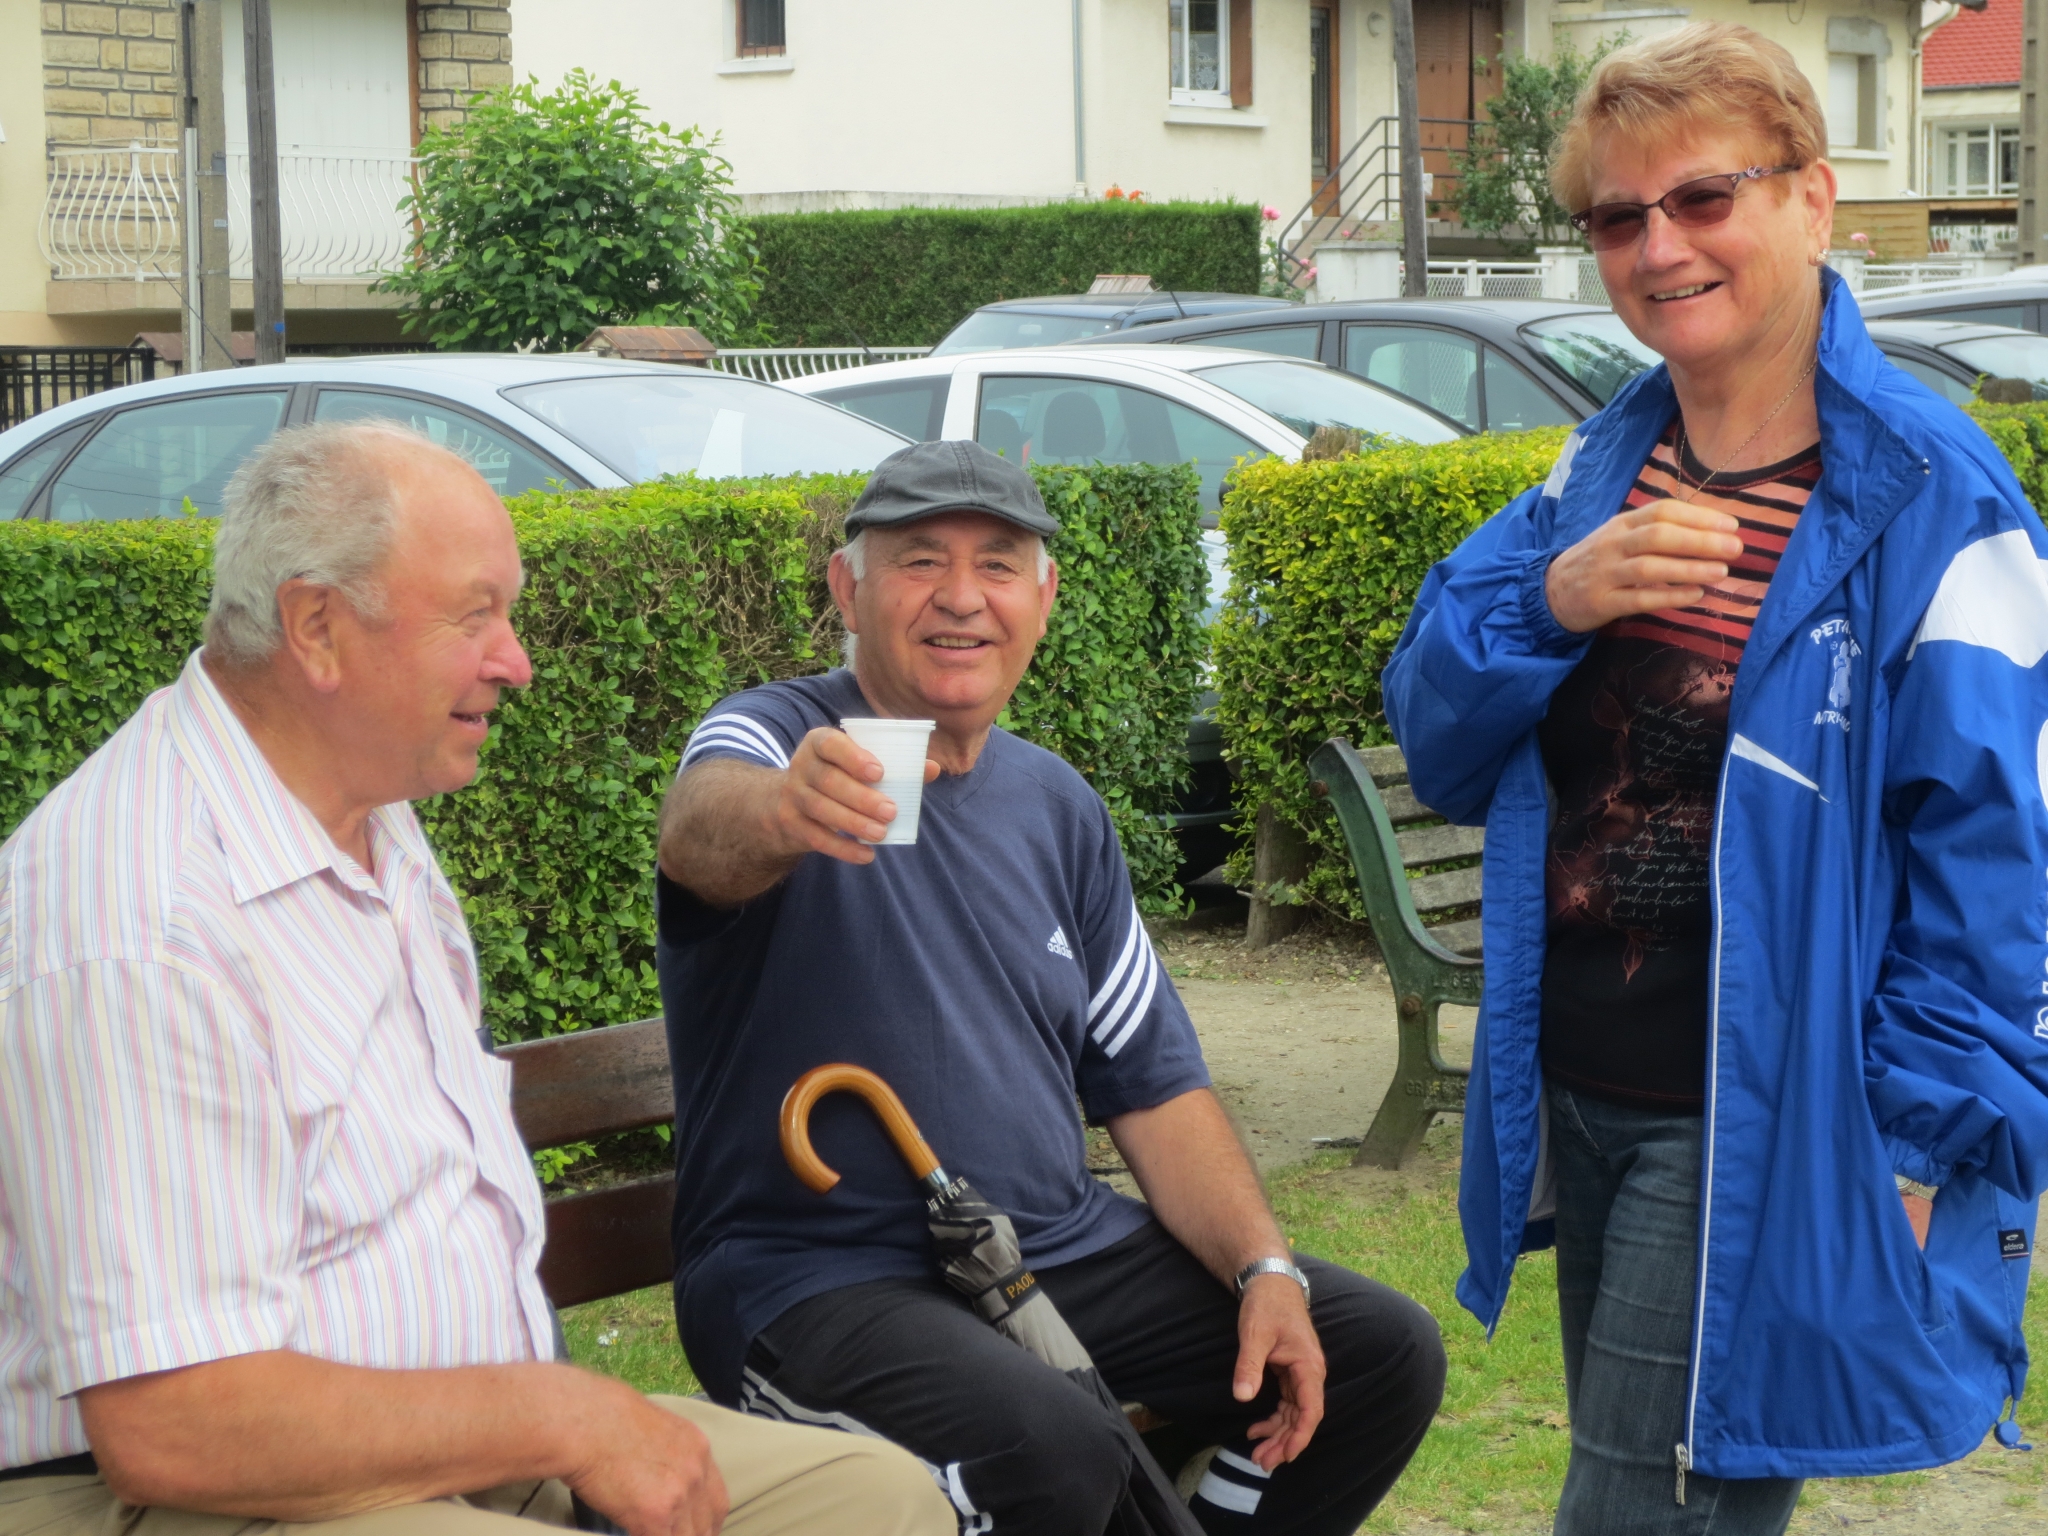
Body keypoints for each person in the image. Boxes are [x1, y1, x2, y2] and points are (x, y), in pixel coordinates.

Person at [0, 421, 953, 1536]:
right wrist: (563, 1418)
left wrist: (546, 1419)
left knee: (880, 1503)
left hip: (469, 1449)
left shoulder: (367, 806)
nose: (516, 659)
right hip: (204, 1490)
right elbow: (175, 1428)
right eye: (475, 614)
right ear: (317, 625)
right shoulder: (139, 918)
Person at [1382, 22, 2048, 1536]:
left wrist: (1925, 1140)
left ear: (1814, 200)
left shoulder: (1932, 496)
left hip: (1760, 1112)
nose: (1658, 246)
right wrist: (1554, 598)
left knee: (1638, 1505)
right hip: (1586, 1086)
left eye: (1702, 199)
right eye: (1618, 216)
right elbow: (1436, 727)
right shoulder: (1598, 471)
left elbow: (2000, 860)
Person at [654, 439, 1446, 1536]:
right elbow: (701, 834)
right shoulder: (780, 736)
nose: (961, 599)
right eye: (919, 561)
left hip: (1051, 1254)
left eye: (997, 564)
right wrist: (787, 811)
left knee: (1376, 1354)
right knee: (1050, 1453)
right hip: (816, 1280)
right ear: (849, 586)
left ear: (1044, 594)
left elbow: (1154, 1087)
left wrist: (1264, 1268)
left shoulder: (1054, 805)